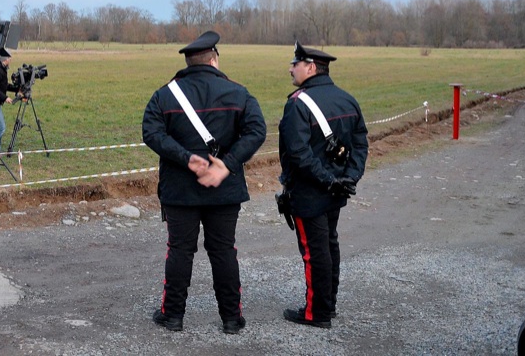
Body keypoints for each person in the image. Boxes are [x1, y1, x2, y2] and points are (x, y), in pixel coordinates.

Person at [141, 31, 266, 335]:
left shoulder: (165, 95)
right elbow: (257, 131)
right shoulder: (238, 92)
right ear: (213, 59)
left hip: (180, 190)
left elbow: (152, 133)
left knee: (180, 250)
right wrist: (226, 164)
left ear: (188, 61)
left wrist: (186, 158)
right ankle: (231, 319)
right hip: (224, 190)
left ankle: (172, 316)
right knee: (223, 251)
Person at [278, 42, 369, 329]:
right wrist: (348, 179)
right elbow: (361, 144)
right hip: (336, 189)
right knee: (329, 244)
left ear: (311, 67)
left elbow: (298, 154)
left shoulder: (297, 103)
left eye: (296, 63)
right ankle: (327, 306)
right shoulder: (347, 99)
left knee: (314, 251)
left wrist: (332, 181)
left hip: (310, 191)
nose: (291, 68)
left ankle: (316, 312)